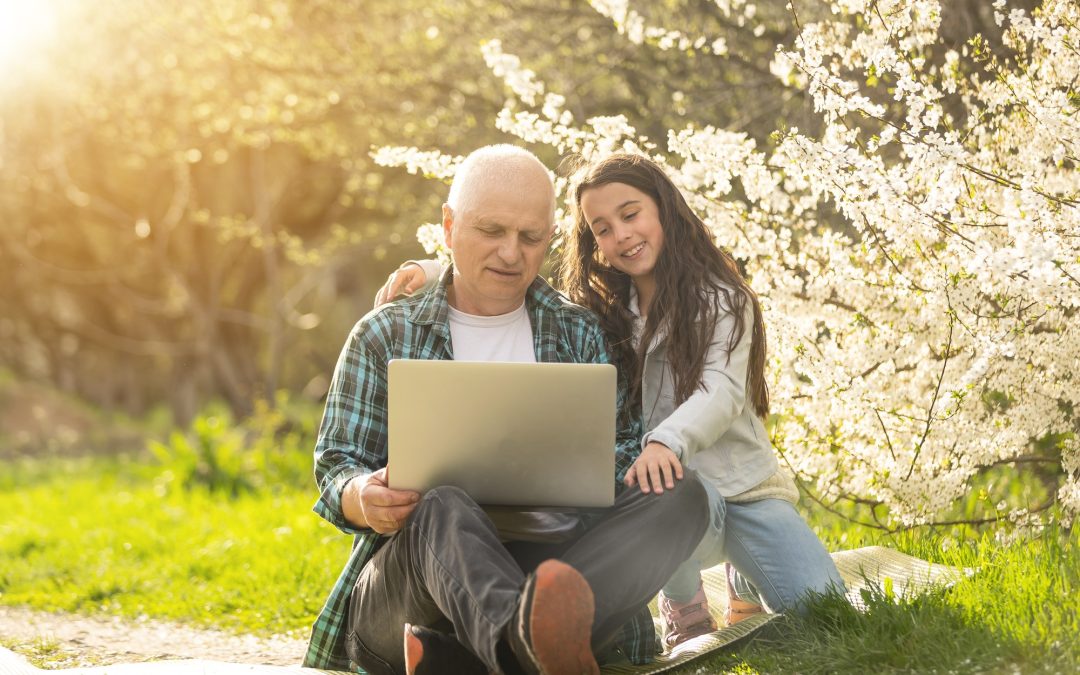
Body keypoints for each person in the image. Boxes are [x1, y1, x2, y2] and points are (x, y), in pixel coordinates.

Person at [378, 152, 846, 650]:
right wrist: (433, 269)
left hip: (743, 491)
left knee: (827, 615)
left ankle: (745, 579)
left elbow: (722, 391)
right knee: (669, 491)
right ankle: (684, 604)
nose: (620, 235)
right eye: (601, 228)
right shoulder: (600, 308)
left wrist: (666, 440)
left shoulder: (724, 299)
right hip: (668, 495)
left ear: (665, 208)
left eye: (630, 214)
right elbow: (515, 277)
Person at [305, 145, 709, 675]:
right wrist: (361, 496)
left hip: (555, 558)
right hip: (414, 590)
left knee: (681, 495)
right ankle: (526, 647)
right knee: (444, 503)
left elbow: (625, 453)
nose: (511, 254)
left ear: (550, 238)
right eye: (492, 232)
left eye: (530, 237)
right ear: (448, 228)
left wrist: (594, 475)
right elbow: (337, 463)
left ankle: (487, 657)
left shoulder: (579, 332)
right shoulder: (385, 333)